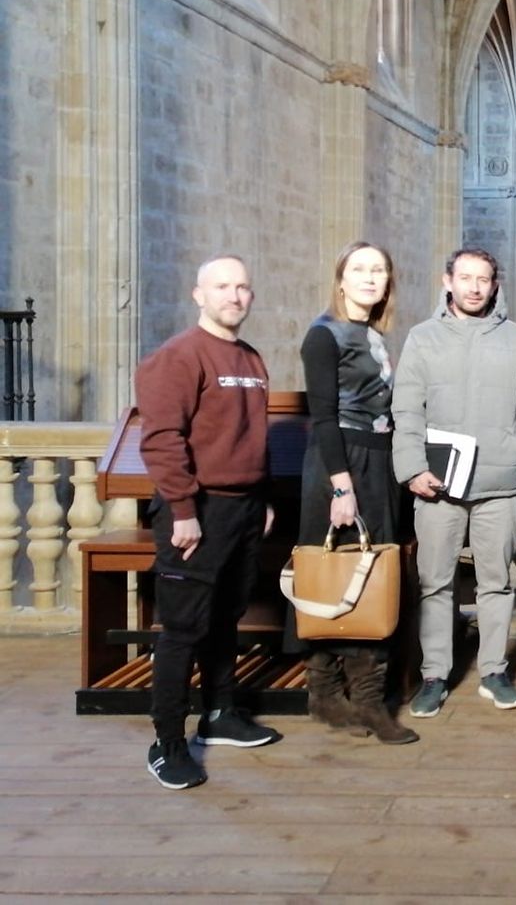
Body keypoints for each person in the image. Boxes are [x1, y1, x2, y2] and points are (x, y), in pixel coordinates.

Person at [135, 255, 281, 790]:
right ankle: (166, 741)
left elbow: (249, 438)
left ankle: (219, 715)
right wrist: (182, 510)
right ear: (199, 294)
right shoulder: (176, 357)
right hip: (196, 511)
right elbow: (162, 440)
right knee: (183, 629)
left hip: (243, 510)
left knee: (226, 617)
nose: (234, 296)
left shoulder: (250, 358)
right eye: (222, 286)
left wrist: (261, 498)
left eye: (243, 286)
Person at [392, 247, 516, 718]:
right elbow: (406, 409)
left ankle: (494, 671)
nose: (475, 287)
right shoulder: (422, 339)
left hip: (499, 484)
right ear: (449, 281)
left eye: (483, 279)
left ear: (494, 285)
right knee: (435, 582)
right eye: (466, 277)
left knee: (496, 583)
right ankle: (435, 675)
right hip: (437, 484)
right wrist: (412, 468)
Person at [293, 241, 417, 744]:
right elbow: (323, 417)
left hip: (377, 460)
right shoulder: (323, 336)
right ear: (340, 279)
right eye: (360, 269)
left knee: (372, 576)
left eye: (380, 270)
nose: (370, 278)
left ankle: (356, 696)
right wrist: (341, 486)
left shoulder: (372, 333)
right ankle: (337, 696)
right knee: (336, 575)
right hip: (340, 464)